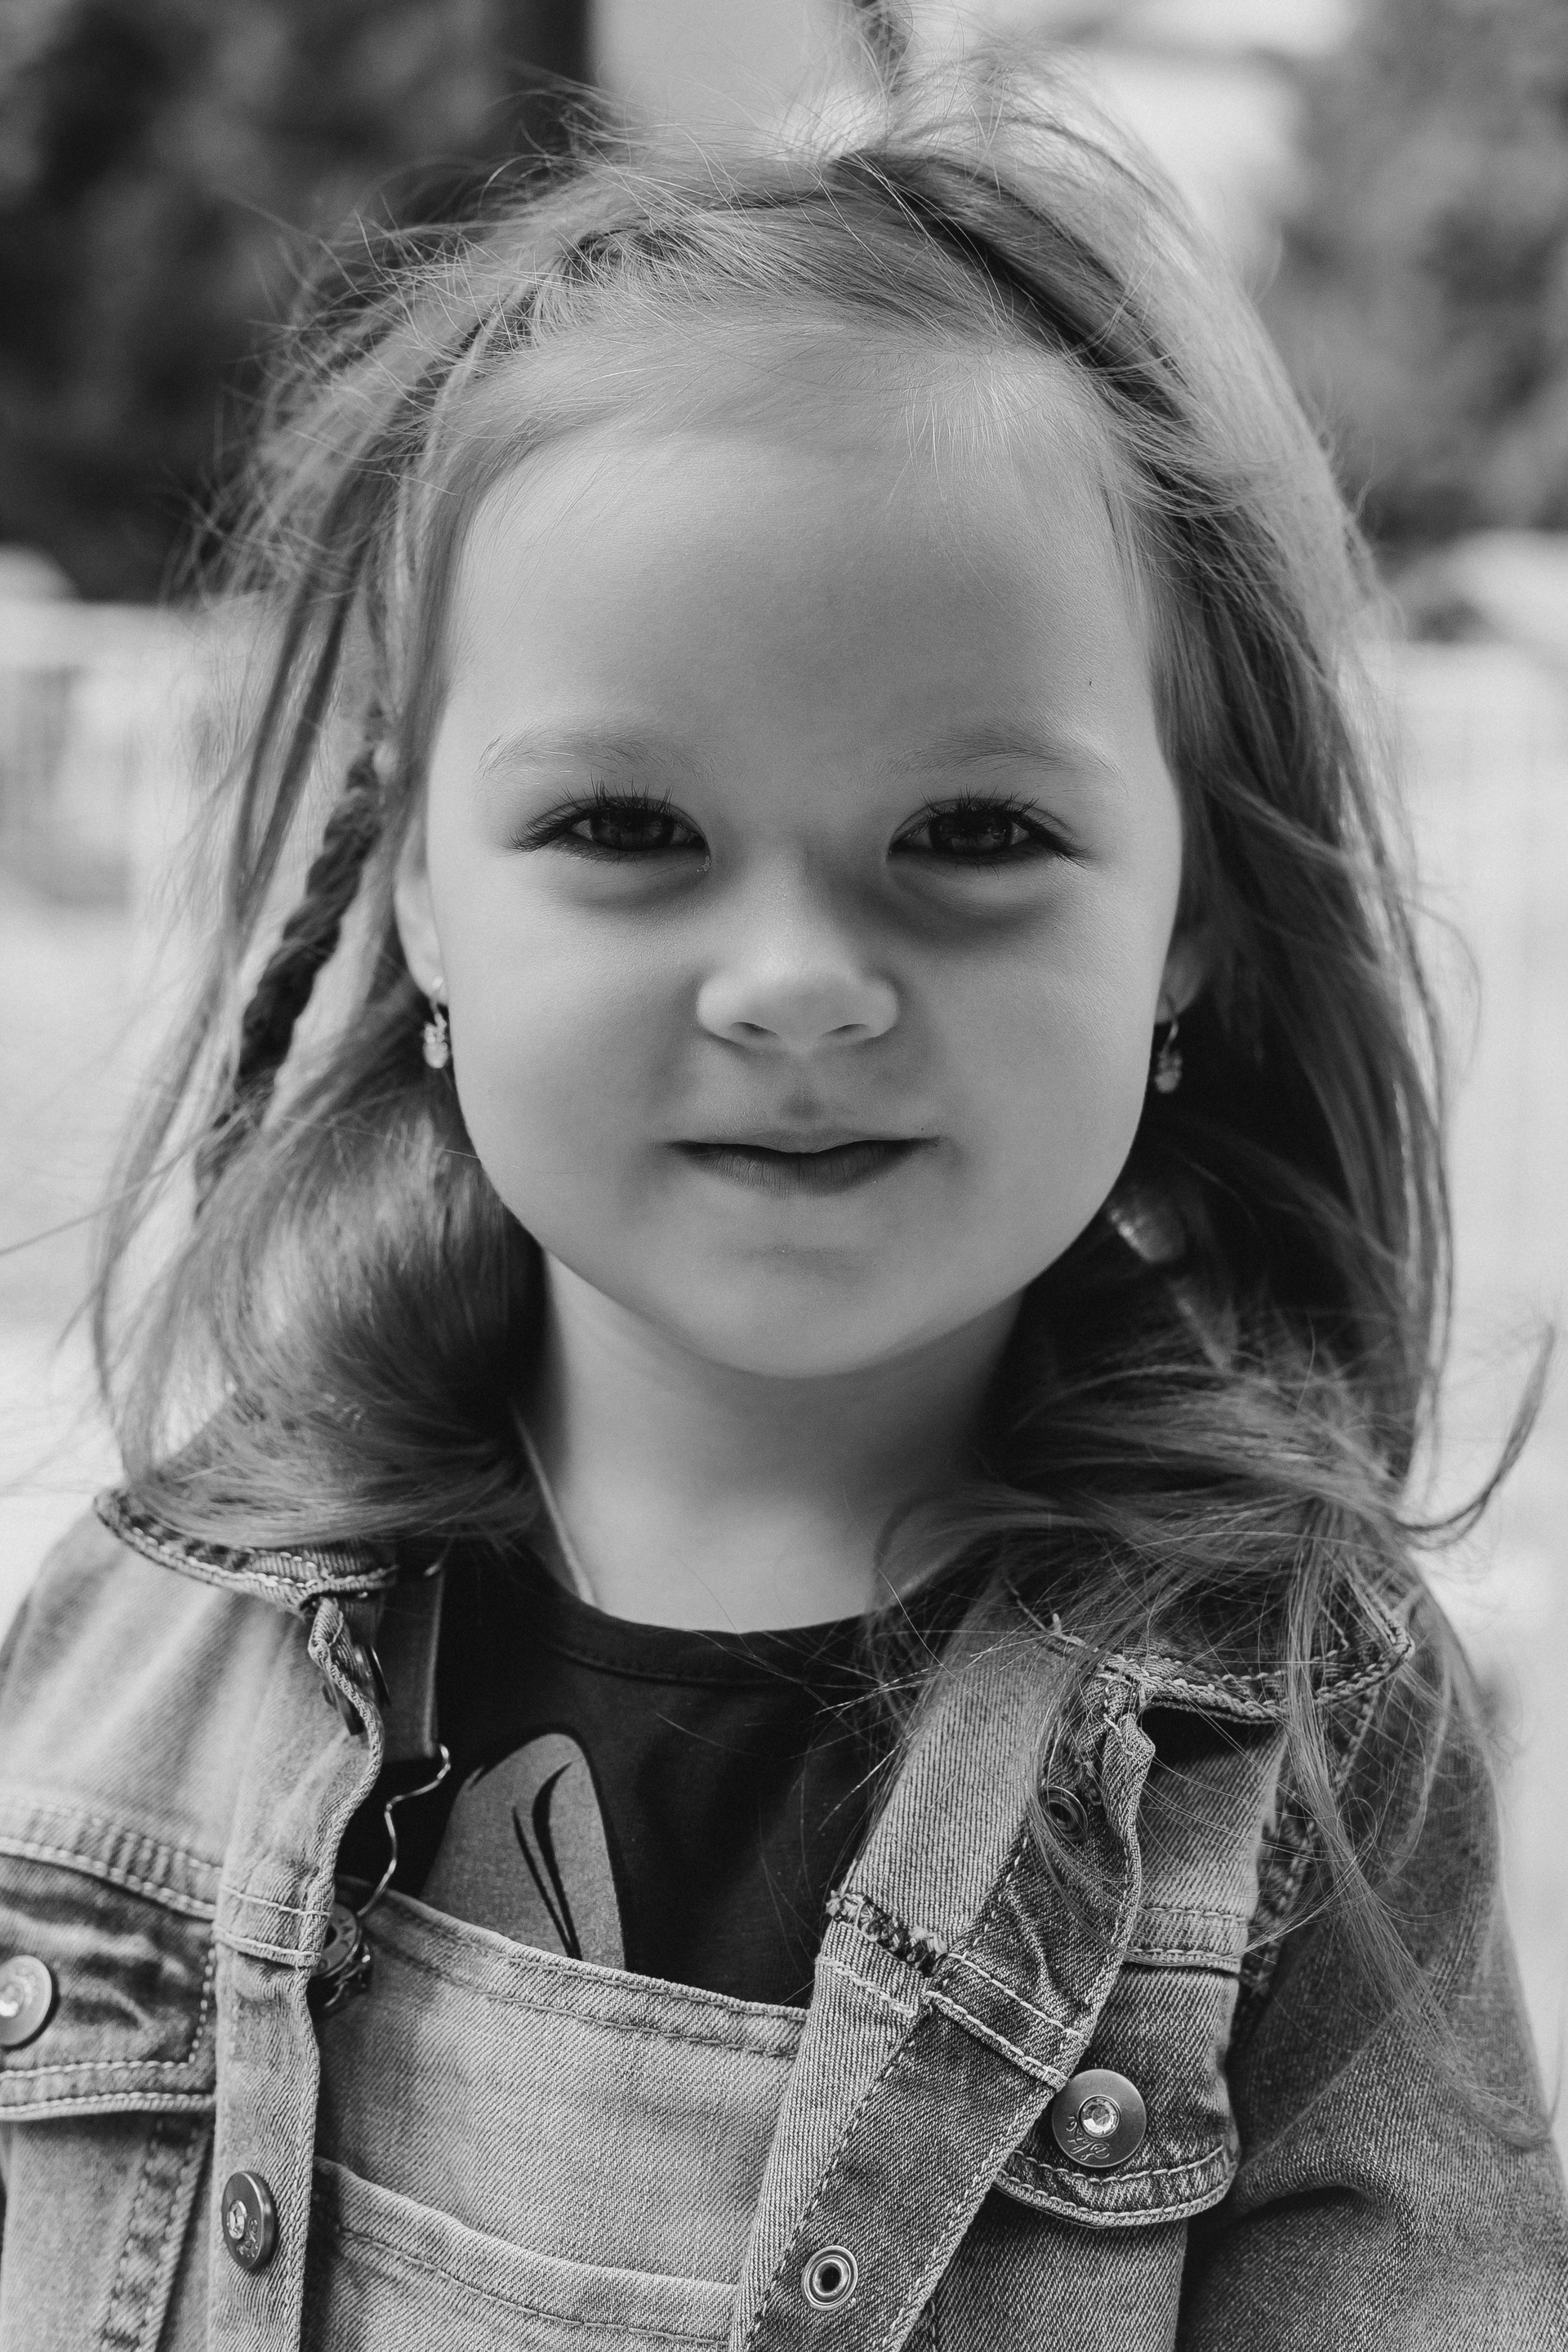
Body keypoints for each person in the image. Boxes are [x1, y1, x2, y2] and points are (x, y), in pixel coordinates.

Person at [0, 38, 1562, 2350]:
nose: (803, 983)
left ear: (1188, 929)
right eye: (629, 829)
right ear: (422, 897)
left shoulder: (1300, 1749)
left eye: (975, 834)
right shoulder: (144, 1635)